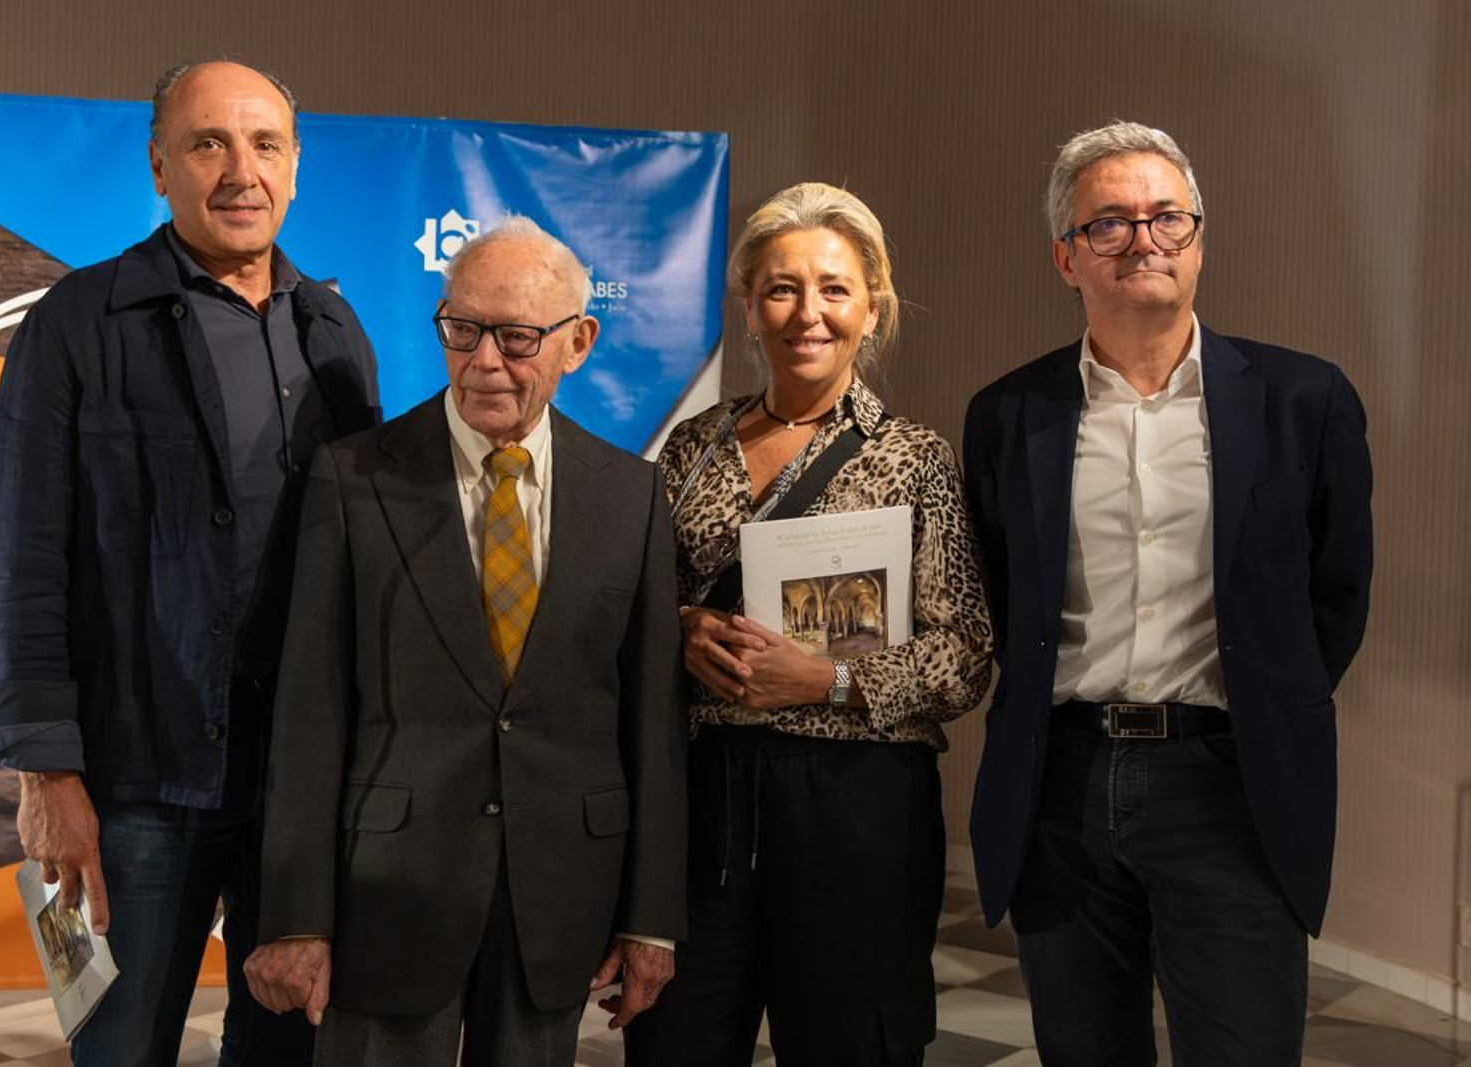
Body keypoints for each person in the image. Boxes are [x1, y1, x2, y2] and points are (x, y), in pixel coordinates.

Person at [0, 60, 380, 1066]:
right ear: (158, 164)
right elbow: (18, 560)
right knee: (122, 1049)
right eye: (208, 143)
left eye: (264, 145)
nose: (241, 171)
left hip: (296, 787)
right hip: (131, 787)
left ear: (296, 167)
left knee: (287, 1054)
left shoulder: (335, 332)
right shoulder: (77, 323)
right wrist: (46, 771)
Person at [963, 120, 1372, 1065]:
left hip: (1232, 786)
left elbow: (1337, 593)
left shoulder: (1303, 400)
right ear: (1067, 257)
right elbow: (1000, 593)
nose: (1142, 239)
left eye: (1166, 217)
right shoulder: (1008, 414)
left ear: (1198, 239)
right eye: (1108, 223)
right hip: (1061, 786)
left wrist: (1268, 703)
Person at [243, 217, 687, 1066]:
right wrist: (296, 914)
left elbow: (652, 723)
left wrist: (650, 920)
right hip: (387, 894)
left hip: (559, 895)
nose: (484, 361)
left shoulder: (632, 496)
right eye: (462, 329)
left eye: (517, 337)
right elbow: (309, 711)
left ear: (578, 342)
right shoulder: (353, 476)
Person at [626, 182, 994, 1066]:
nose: (808, 313)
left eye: (834, 288)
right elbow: (635, 608)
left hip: (857, 804)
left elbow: (966, 655)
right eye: (782, 288)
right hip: (703, 798)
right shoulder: (693, 447)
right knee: (674, 1040)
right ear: (749, 307)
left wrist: (832, 679)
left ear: (873, 308)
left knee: (852, 1045)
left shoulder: (915, 457)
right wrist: (681, 625)